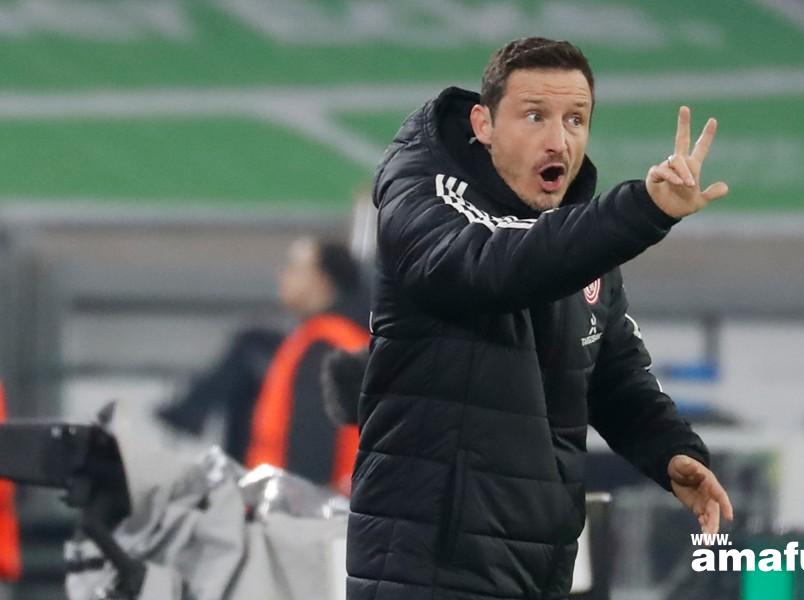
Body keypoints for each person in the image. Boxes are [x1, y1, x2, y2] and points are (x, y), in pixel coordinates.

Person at [346, 37, 734, 599]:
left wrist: (673, 451)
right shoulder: (426, 195)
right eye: (535, 116)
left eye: (576, 120)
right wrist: (640, 211)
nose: (558, 140)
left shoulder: (578, 242)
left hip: (540, 570)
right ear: (483, 123)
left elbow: (614, 375)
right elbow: (492, 266)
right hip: (426, 569)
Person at [158, 237, 368, 495]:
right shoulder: (336, 338)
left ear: (322, 281)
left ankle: (190, 414)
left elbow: (311, 453)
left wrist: (292, 508)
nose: (283, 276)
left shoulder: (325, 346)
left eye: (294, 268)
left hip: (298, 506)